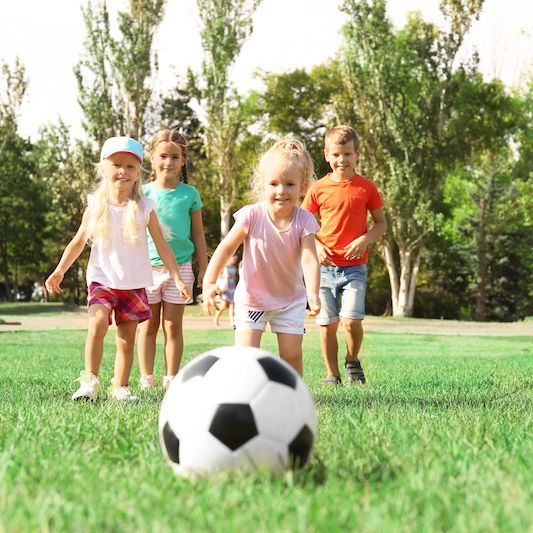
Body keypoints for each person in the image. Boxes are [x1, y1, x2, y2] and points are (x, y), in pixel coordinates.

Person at [45, 136, 191, 402]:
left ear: (138, 172)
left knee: (126, 339)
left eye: (130, 166)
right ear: (104, 168)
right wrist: (60, 270)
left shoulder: (145, 207)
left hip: (133, 283)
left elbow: (162, 246)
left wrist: (178, 278)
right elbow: (78, 242)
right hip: (102, 279)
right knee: (98, 323)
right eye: (116, 164)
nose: (123, 171)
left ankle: (120, 387)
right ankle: (89, 383)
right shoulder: (96, 205)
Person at [202, 138, 321, 375]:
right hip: (252, 300)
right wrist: (209, 282)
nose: (281, 191)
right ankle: (245, 393)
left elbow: (310, 259)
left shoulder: (304, 220)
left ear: (303, 186)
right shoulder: (252, 215)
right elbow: (226, 249)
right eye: (273, 183)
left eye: (289, 184)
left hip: (290, 301)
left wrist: (313, 293)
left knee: (292, 356)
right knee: (246, 357)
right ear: (263, 185)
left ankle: (292, 393)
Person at [301, 125, 387, 385]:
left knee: (351, 321)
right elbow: (302, 224)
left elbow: (381, 224)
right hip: (323, 269)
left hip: (355, 268)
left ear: (357, 154)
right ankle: (332, 374)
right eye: (336, 154)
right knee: (327, 324)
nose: (342, 159)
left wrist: (364, 239)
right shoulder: (318, 188)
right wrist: (316, 245)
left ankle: (352, 359)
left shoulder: (366, 188)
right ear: (327, 155)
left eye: (347, 154)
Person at [137, 129, 208, 391]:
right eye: (163, 156)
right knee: (148, 326)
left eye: (175, 157)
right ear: (152, 158)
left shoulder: (190, 194)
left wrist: (205, 269)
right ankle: (146, 377)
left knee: (172, 326)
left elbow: (198, 234)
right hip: (147, 269)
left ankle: (171, 378)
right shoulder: (142, 193)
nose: (168, 162)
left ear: (183, 160)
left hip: (182, 268)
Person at [213, 254, 238, 327]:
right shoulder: (224, 267)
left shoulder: (234, 268)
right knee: (223, 305)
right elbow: (217, 275)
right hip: (225, 288)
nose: (234, 261)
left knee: (232, 305)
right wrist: (224, 276)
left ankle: (232, 321)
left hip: (232, 287)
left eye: (235, 259)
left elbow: (234, 278)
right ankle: (216, 319)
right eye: (233, 259)